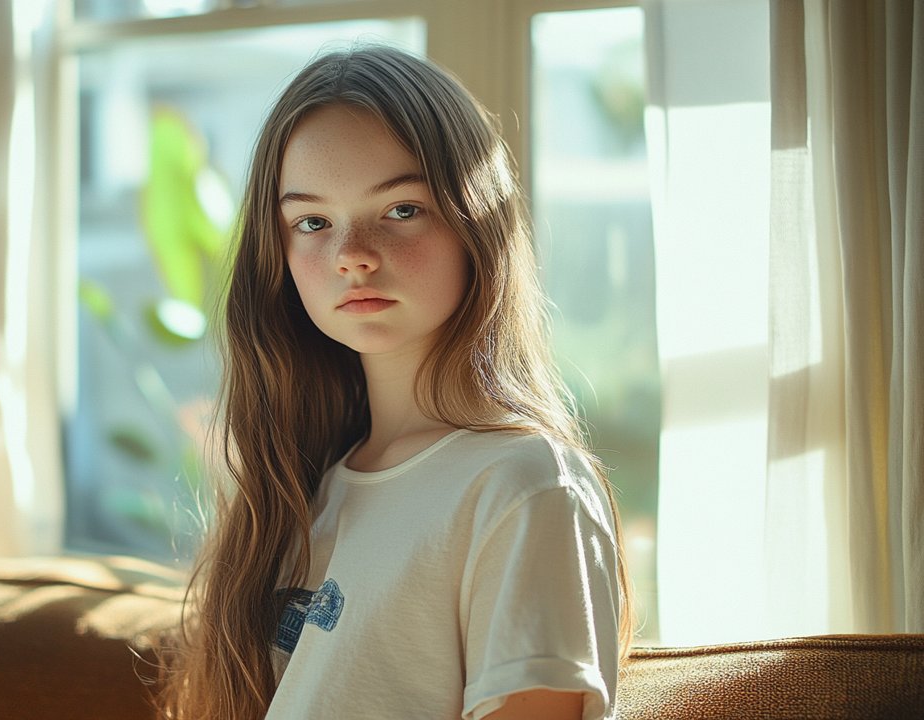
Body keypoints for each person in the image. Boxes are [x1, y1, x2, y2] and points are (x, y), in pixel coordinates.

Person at [160, 44, 633, 720]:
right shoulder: (297, 489)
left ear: (478, 221)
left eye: (402, 208)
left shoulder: (525, 486)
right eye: (313, 222)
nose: (352, 254)